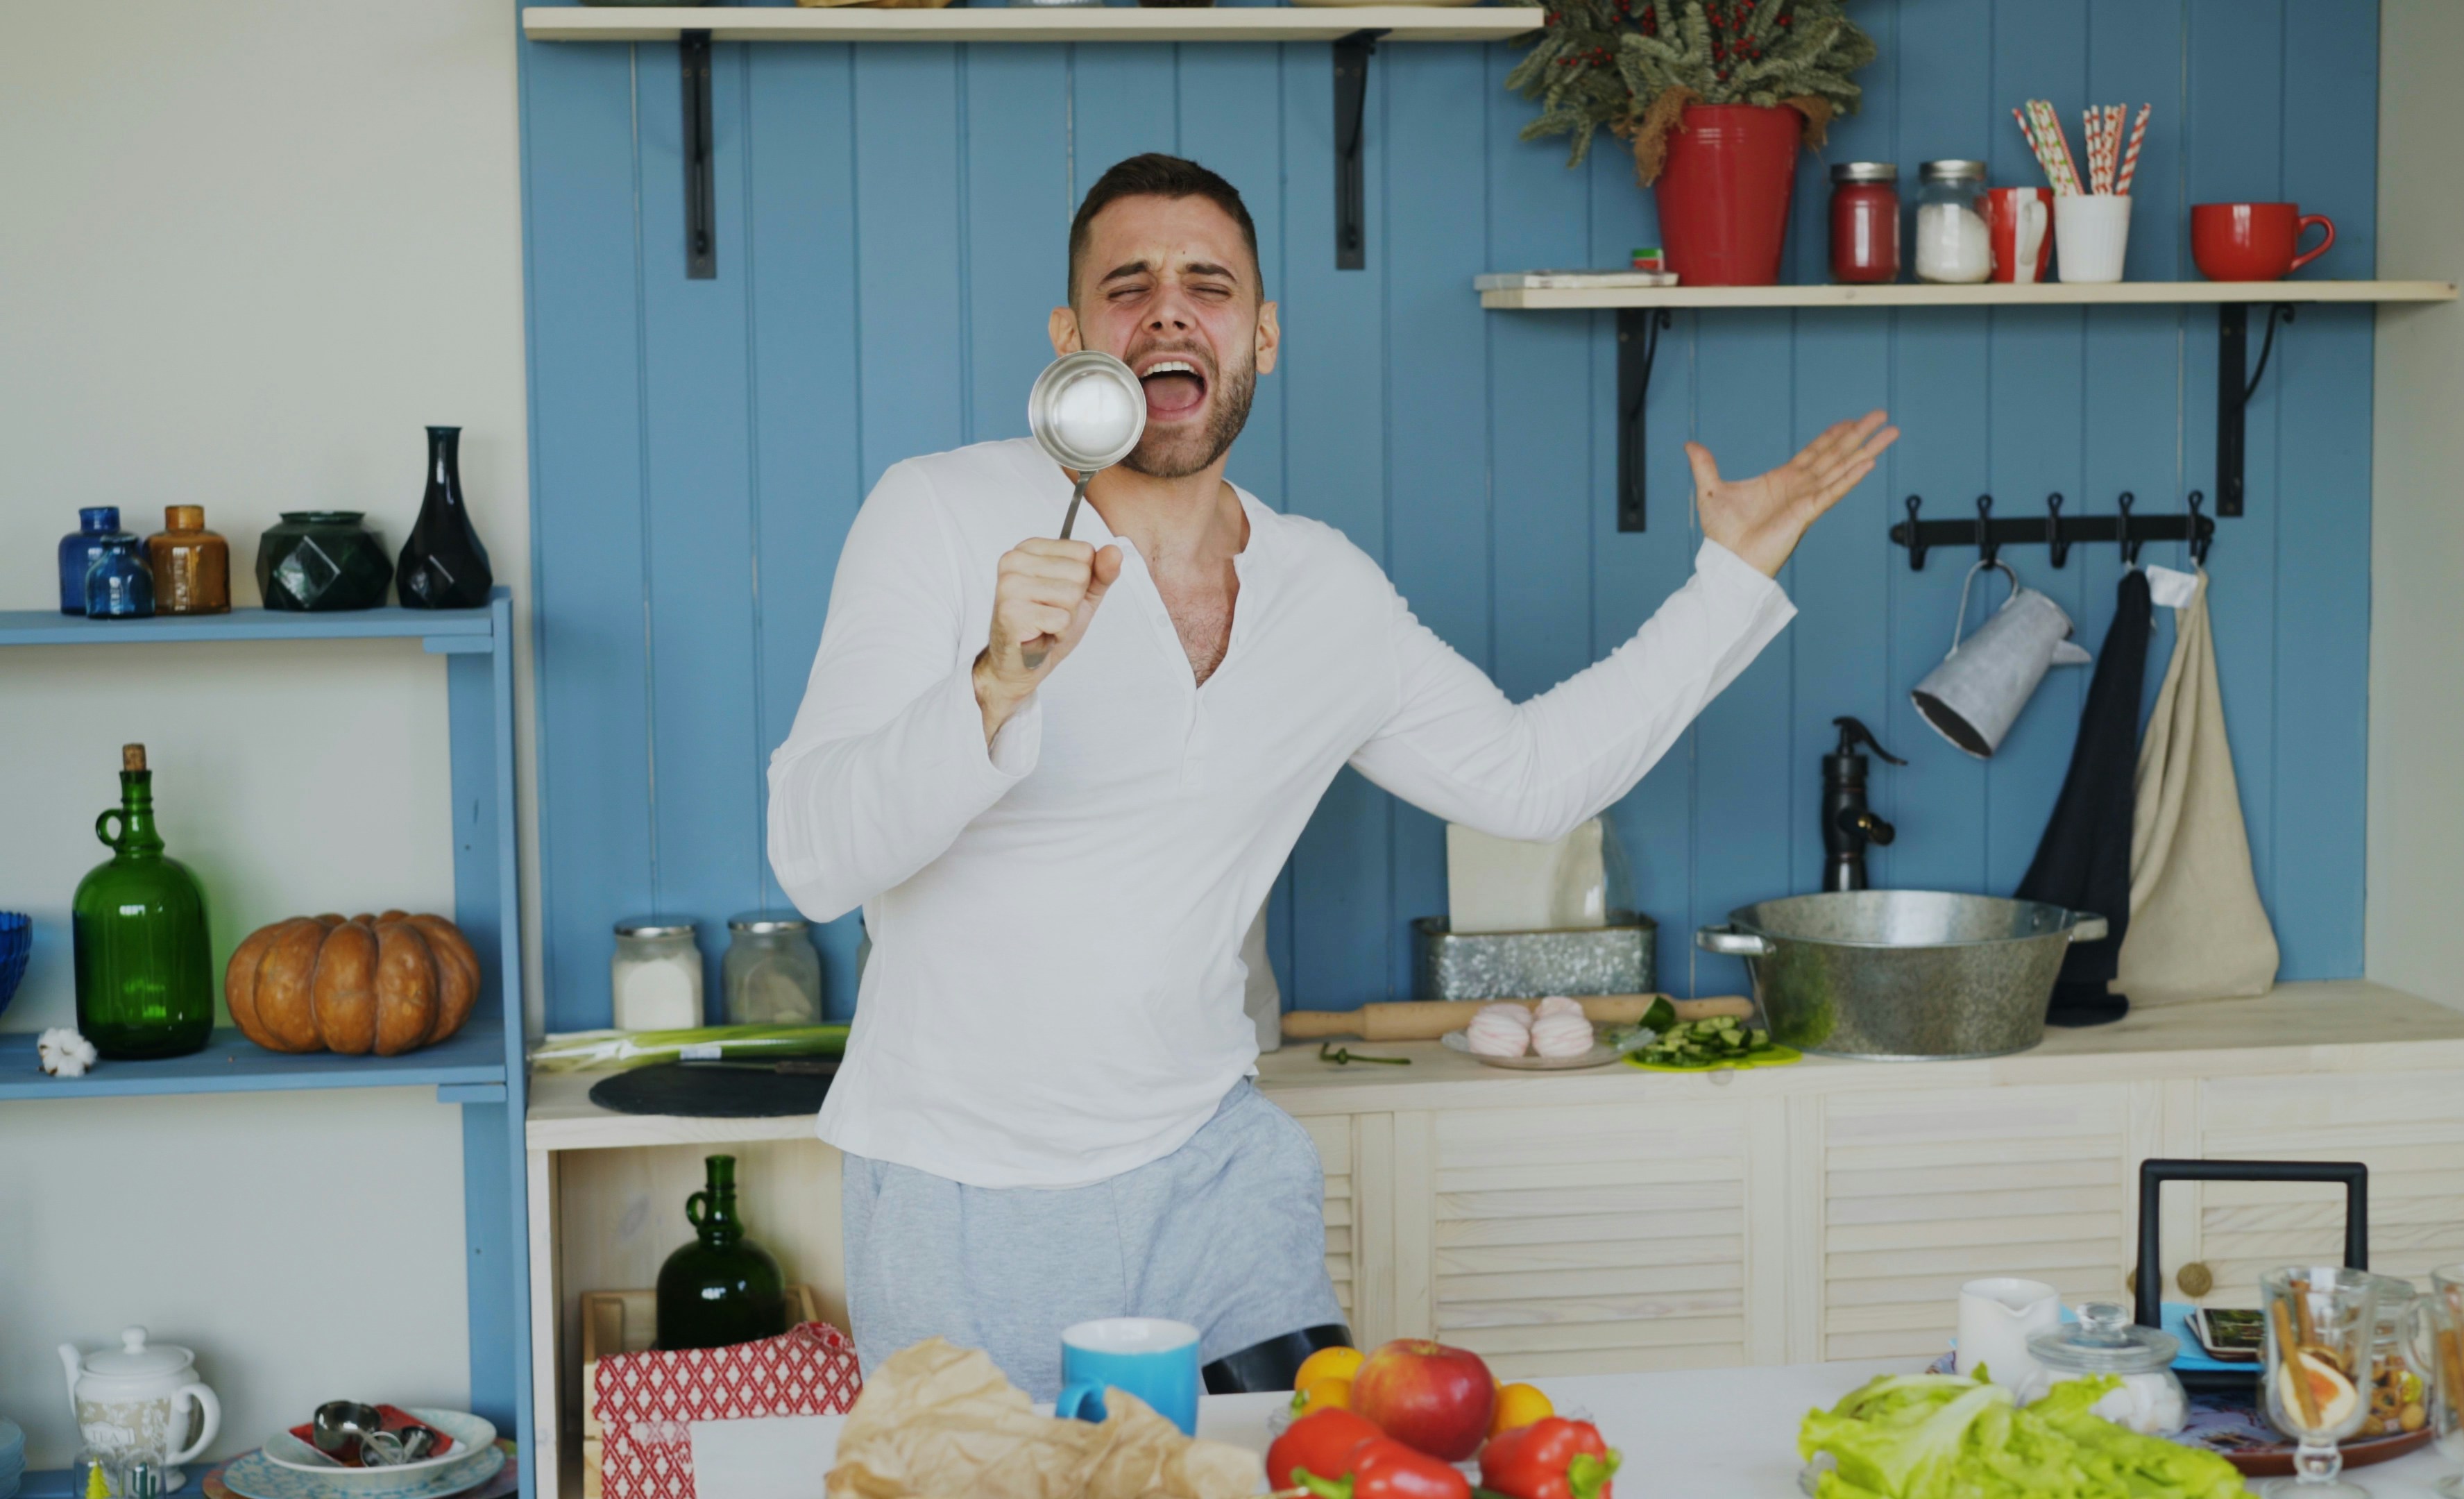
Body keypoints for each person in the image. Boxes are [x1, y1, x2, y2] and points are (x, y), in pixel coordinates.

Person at [767, 153, 1897, 1400]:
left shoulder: (1326, 591)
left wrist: (1728, 579)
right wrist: (992, 684)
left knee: (1305, 1472)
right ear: (1072, 338)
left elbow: (1528, 780)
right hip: (958, 1192)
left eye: (1208, 284)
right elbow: (814, 860)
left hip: (1212, 1171)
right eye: (1127, 285)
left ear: (1262, 336)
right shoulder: (937, 513)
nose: (1167, 311)